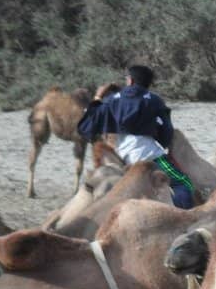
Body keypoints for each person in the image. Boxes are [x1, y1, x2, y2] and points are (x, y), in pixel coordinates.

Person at [78, 64, 195, 208]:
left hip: (123, 159)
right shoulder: (154, 100)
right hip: (151, 157)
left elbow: (86, 126)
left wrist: (98, 97)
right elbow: (166, 134)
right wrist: (162, 142)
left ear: (131, 80)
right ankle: (178, 215)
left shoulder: (112, 100)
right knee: (184, 183)